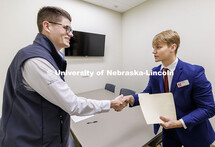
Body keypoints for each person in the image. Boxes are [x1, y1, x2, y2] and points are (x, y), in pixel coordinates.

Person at [0, 6, 127, 147]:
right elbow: (73, 105)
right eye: (66, 28)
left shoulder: (44, 56)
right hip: (30, 140)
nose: (71, 34)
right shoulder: (37, 61)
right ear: (47, 26)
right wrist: (111, 103)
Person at [123, 30, 215, 147]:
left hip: (193, 131)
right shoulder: (155, 72)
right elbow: (148, 93)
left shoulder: (194, 72)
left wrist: (179, 123)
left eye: (158, 47)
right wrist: (131, 98)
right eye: (153, 48)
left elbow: (208, 108)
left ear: (173, 47)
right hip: (169, 132)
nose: (154, 51)